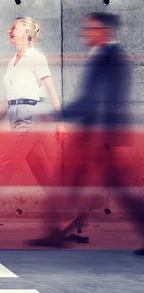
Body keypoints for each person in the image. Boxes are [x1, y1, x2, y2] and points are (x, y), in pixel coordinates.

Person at [0, 16, 68, 237]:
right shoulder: (12, 61)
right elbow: (9, 97)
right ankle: (70, 215)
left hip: (30, 118)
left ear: (27, 31)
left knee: (1, 168)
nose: (10, 30)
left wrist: (61, 121)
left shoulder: (37, 58)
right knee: (44, 174)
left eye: (14, 27)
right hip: (16, 117)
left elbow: (51, 90)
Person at [54, 13, 144, 253]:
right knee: (73, 182)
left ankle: (55, 232)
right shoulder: (104, 56)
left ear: (104, 31)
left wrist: (56, 115)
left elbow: (102, 100)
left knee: (119, 187)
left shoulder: (111, 57)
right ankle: (55, 232)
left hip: (103, 137)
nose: (84, 32)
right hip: (93, 135)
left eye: (90, 28)